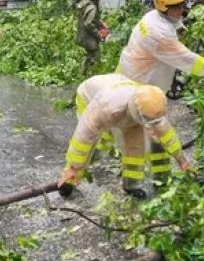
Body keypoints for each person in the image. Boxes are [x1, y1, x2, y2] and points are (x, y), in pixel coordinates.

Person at [116, 0, 204, 186]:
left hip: (132, 79)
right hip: (138, 88)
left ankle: (159, 179)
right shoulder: (159, 33)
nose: (182, 9)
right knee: (146, 136)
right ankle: (146, 181)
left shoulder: (153, 17)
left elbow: (177, 28)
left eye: (183, 5)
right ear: (164, 7)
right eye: (177, 6)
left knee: (146, 135)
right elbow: (186, 59)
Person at [58, 74, 191, 200]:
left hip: (123, 94)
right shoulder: (107, 108)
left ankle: (131, 186)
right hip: (90, 95)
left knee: (135, 148)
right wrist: (73, 167)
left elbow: (167, 135)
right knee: (92, 142)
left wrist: (182, 161)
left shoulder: (151, 105)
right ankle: (69, 179)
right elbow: (83, 136)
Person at [75, 0, 108, 76]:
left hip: (82, 35)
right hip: (88, 38)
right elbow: (88, 23)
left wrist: (100, 23)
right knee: (95, 57)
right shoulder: (92, 7)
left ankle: (83, 74)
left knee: (90, 57)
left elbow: (86, 17)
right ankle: (91, 76)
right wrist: (98, 34)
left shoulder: (84, 3)